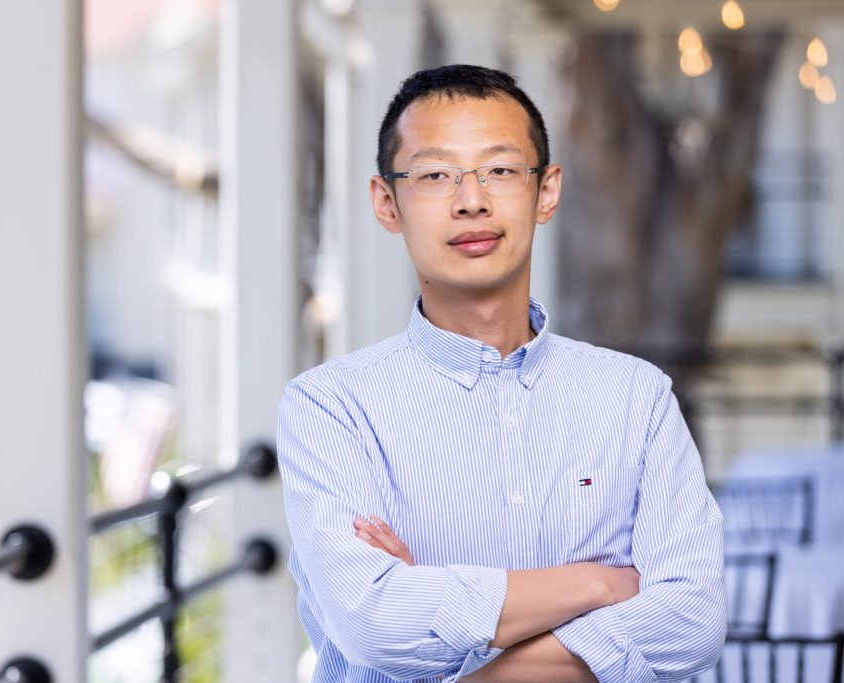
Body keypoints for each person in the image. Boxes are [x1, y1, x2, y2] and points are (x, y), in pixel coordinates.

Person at [277, 64, 725, 683]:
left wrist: (451, 640)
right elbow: (373, 622)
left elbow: (692, 622)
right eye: (435, 174)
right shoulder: (331, 406)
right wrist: (597, 583)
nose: (471, 200)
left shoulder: (634, 398)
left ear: (546, 192)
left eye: (501, 170)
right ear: (388, 202)